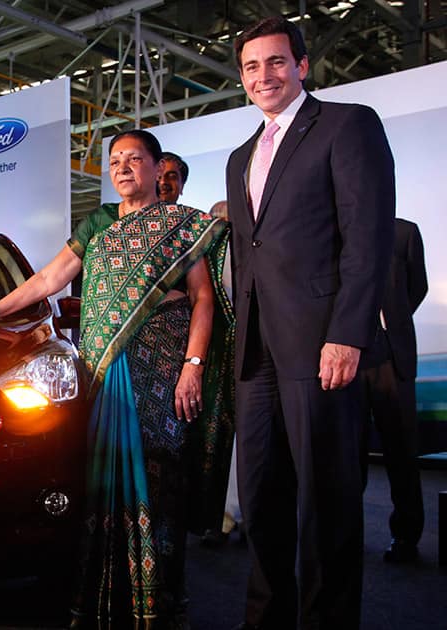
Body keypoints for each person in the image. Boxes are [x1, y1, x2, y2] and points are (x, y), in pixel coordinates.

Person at [0, 129, 233, 629]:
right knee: (102, 477)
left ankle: (158, 600)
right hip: (104, 369)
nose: (122, 167)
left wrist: (193, 366)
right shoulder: (98, 222)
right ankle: (103, 595)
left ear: (156, 166)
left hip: (163, 366)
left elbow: (204, 298)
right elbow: (47, 281)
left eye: (134, 159)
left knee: (160, 477)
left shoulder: (184, 226)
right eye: (115, 160)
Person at [225, 17, 395, 630]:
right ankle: (264, 620)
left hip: (322, 343)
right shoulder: (239, 157)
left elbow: (367, 237)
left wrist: (347, 333)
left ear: (301, 66)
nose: (263, 75)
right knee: (263, 498)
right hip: (257, 355)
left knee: (325, 505)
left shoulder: (348, 126)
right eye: (251, 66)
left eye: (275, 62)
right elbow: (248, 255)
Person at [360, 218, 427, 563]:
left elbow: (418, 287)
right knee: (348, 455)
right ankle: (345, 532)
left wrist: (393, 322)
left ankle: (406, 537)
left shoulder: (404, 232)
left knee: (401, 452)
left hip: (393, 354)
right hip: (349, 357)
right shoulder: (332, 233)